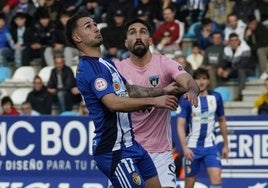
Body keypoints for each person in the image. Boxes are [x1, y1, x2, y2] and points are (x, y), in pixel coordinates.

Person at [65, 10, 180, 187]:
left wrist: (162, 91)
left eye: (95, 24)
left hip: (131, 144)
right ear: (77, 38)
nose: (96, 28)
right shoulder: (90, 69)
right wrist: (154, 101)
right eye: (88, 26)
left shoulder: (106, 63)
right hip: (114, 149)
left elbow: (130, 90)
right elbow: (112, 103)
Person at [115, 18, 199, 188]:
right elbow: (128, 92)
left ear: (151, 40)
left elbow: (188, 80)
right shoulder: (118, 69)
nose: (138, 36)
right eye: (132, 33)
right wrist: (160, 95)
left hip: (159, 151)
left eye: (143, 32)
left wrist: (191, 89)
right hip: (127, 149)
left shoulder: (164, 63)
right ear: (126, 43)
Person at [176, 68, 229, 188]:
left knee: (217, 179)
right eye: (198, 78)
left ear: (208, 81)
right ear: (193, 81)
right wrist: (185, 148)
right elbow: (180, 125)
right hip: (192, 149)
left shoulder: (216, 97)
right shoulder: (187, 99)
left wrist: (226, 145)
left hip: (210, 147)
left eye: (204, 78)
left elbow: (222, 120)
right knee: (189, 183)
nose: (201, 82)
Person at [217, 32, 255, 101]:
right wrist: (221, 68)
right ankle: (218, 96)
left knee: (241, 71)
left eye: (236, 40)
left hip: (248, 70)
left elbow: (242, 65)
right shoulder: (227, 49)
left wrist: (229, 71)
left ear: (238, 41)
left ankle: (240, 95)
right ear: (229, 42)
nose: (234, 42)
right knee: (218, 71)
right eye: (232, 40)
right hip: (234, 70)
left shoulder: (245, 49)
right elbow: (225, 62)